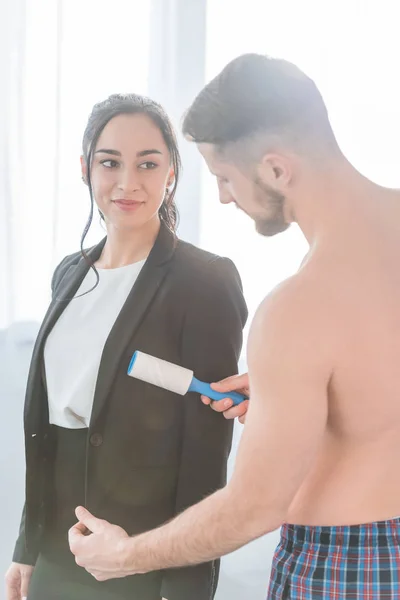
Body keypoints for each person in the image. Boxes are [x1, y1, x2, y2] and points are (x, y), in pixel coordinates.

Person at [68, 54, 400, 600]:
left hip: (347, 571)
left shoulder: (298, 310)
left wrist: (126, 555)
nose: (223, 196)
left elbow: (254, 506)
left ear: (275, 168)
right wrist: (301, 395)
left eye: (224, 177)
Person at [5, 92, 248, 600]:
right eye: (110, 162)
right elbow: (45, 430)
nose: (127, 182)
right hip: (58, 548)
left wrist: (185, 590)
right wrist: (28, 546)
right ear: (85, 169)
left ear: (172, 173)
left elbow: (206, 459)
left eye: (148, 163)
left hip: (140, 559)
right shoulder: (68, 275)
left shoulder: (204, 282)